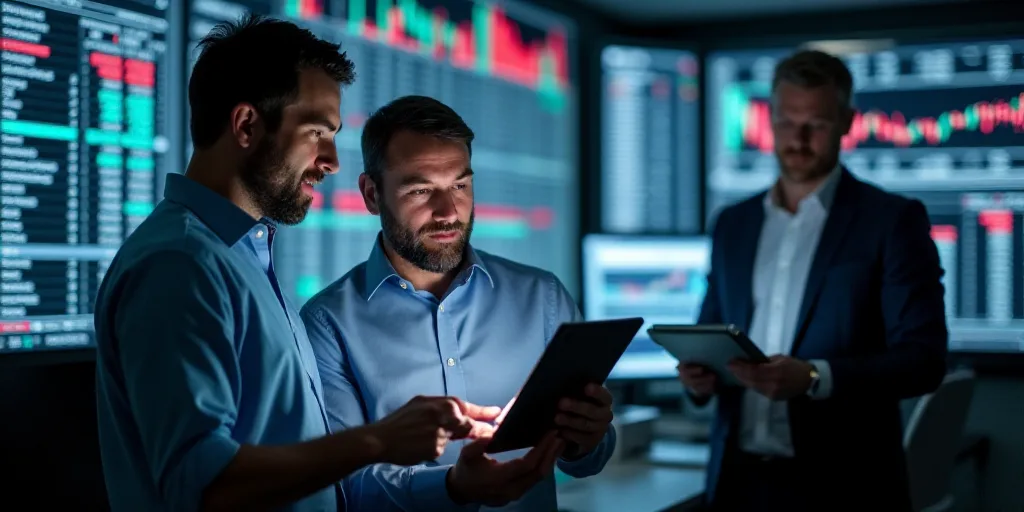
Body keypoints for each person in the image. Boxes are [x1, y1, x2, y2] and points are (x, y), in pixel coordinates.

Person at [94, 16, 499, 512]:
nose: (331, 160)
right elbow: (200, 485)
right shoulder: (180, 265)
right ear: (246, 125)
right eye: (316, 133)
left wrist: (451, 483)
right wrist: (378, 441)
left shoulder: (243, 256)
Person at [300, 95, 617, 511]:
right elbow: (343, 486)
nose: (449, 211)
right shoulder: (326, 324)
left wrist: (585, 440)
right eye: (421, 190)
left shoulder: (544, 298)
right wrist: (453, 488)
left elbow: (590, 459)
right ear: (372, 194)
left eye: (460, 186)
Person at [679, 49, 948, 511]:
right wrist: (697, 378)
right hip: (736, 483)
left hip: (844, 486)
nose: (798, 139)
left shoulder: (891, 221)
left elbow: (923, 360)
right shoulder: (733, 224)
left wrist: (811, 377)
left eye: (817, 125)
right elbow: (713, 330)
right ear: (771, 119)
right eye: (786, 122)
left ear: (846, 122)